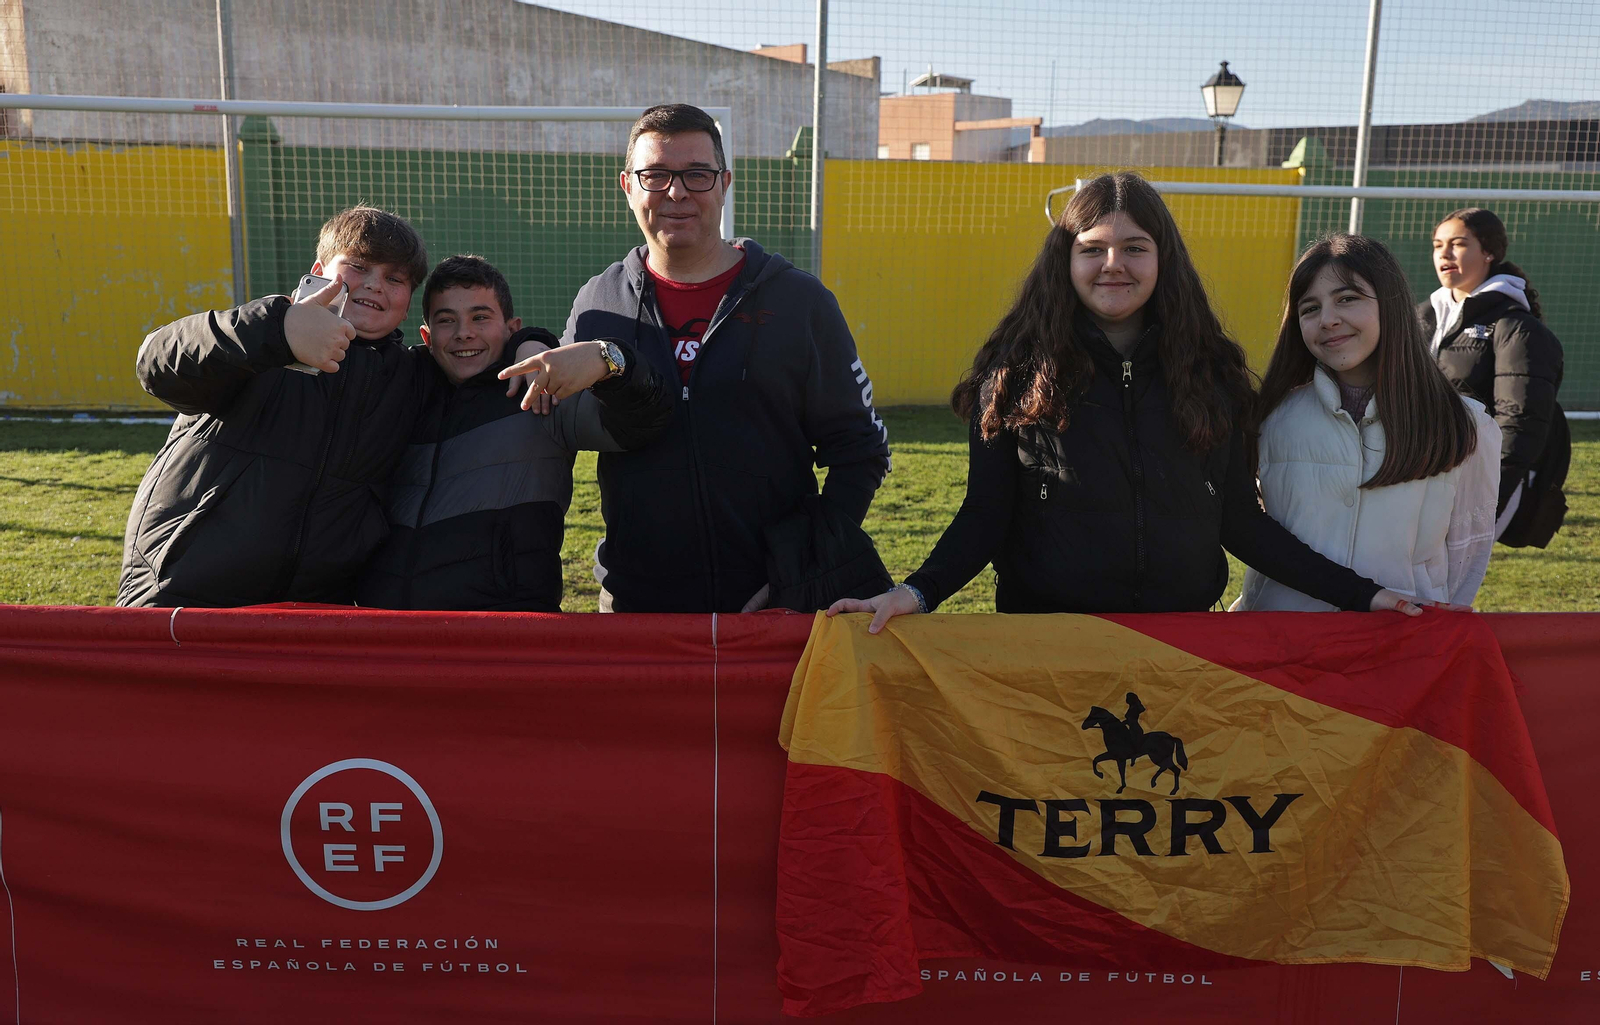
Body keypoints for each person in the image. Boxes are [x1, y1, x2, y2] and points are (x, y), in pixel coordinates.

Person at [828, 172, 1426, 633]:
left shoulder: (1211, 374)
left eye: (1135, 247)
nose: (1113, 264)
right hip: (1048, 646)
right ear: (1065, 262)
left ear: (1164, 259)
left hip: (1181, 646)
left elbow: (1241, 522)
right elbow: (985, 515)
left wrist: (1361, 595)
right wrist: (918, 592)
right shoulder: (1013, 376)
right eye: (1093, 248)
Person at [504, 103, 892, 613]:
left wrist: (799, 568)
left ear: (724, 183)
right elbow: (555, 436)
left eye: (697, 175)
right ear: (627, 185)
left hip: (771, 604)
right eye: (656, 175)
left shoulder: (799, 302)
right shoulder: (598, 303)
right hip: (635, 604)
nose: (677, 192)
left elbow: (860, 451)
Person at [119, 206, 434, 608]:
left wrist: (532, 344)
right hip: (186, 591)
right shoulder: (254, 345)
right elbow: (157, 363)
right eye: (358, 266)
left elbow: (484, 362)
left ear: (408, 302)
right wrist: (278, 329)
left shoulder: (410, 379)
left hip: (316, 612)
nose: (375, 285)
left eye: (395, 278)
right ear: (319, 269)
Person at [356, 255, 672, 611]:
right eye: (447, 321)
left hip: (503, 635)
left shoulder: (539, 394)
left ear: (510, 328)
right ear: (427, 337)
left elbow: (644, 422)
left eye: (480, 317)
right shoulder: (404, 393)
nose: (464, 332)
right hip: (387, 627)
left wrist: (612, 361)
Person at [1234, 234, 1500, 611]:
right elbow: (1254, 534)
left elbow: (1466, 556)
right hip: (1280, 644)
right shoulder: (1270, 418)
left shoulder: (1464, 424)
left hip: (1398, 648)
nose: (1328, 320)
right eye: (1310, 308)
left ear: (1390, 304)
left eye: (1347, 299)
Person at [1423, 208, 1567, 546]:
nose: (1444, 253)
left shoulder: (1516, 328)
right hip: (1419, 477)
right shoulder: (1421, 318)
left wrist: (1486, 500)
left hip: (1478, 486)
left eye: (1458, 244)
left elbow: (1519, 424)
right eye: (1437, 244)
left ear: (1488, 252)